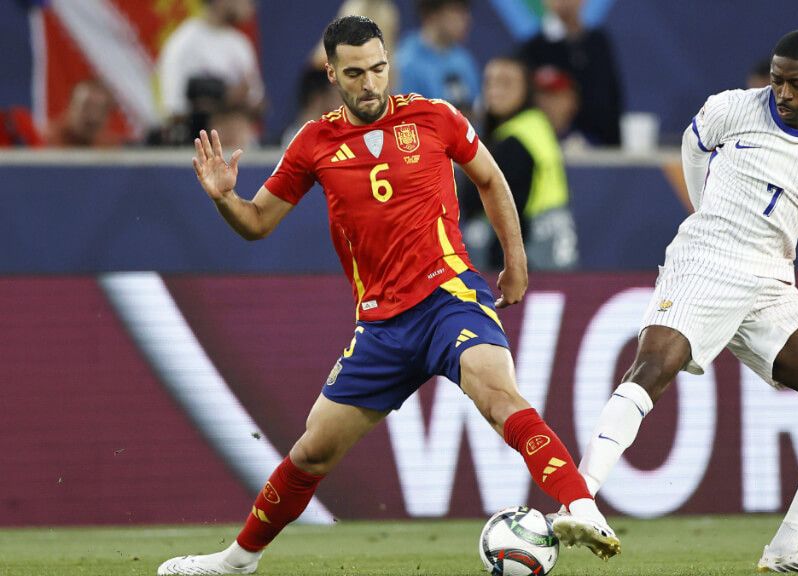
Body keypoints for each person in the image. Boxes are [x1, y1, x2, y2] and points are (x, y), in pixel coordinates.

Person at [156, 16, 619, 575]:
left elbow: (491, 179)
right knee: (312, 451)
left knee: (498, 395)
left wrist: (514, 262)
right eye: (354, 73)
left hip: (450, 297)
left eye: (378, 68)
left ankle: (581, 505)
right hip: (382, 327)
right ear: (331, 73)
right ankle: (237, 562)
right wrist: (224, 200)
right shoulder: (313, 143)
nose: (370, 83)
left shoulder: (435, 117)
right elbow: (256, 223)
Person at [572, 30, 798, 573]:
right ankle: (580, 501)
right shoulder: (731, 108)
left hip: (770, 282)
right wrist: (702, 212)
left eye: (796, 84)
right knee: (652, 366)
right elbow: (693, 145)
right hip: (705, 261)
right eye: (777, 80)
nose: (781, 93)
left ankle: (788, 547)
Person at [461, 57, 578, 271]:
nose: (495, 90)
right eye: (490, 82)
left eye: (506, 83)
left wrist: (501, 270)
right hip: (555, 247)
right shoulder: (536, 124)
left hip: (534, 255)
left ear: (526, 89)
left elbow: (509, 209)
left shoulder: (515, 141)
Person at [518, 0, 623, 146]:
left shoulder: (599, 43)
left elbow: (613, 98)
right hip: (550, 146)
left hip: (600, 148)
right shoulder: (532, 49)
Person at [157, 0, 264, 123]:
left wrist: (241, 100)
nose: (249, 4)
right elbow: (174, 112)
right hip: (197, 139)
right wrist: (223, 98)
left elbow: (258, 103)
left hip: (238, 140)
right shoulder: (184, 43)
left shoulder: (241, 44)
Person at [395, 0, 479, 115]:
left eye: (465, 11)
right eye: (456, 11)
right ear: (432, 15)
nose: (466, 19)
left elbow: (476, 111)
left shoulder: (463, 58)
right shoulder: (406, 62)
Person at [44, 80, 119, 147]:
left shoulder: (110, 148)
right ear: (70, 105)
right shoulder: (44, 142)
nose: (93, 116)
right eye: (86, 107)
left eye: (101, 110)